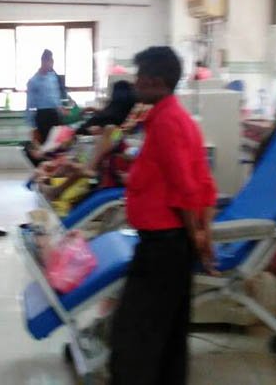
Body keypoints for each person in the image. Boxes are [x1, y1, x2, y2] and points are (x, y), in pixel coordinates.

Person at [109, 46, 218, 385]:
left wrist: (198, 238)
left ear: (155, 81)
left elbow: (185, 189)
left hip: (164, 247)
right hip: (168, 244)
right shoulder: (168, 118)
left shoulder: (169, 122)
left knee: (134, 335)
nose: (135, 82)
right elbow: (197, 181)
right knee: (167, 334)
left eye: (139, 76)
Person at [26, 49, 65, 144]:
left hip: (55, 115)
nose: (51, 64)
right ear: (43, 61)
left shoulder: (53, 77)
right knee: (44, 145)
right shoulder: (33, 81)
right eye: (49, 61)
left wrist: (61, 108)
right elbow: (29, 105)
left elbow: (56, 96)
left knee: (57, 145)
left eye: (52, 61)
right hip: (43, 116)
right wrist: (33, 127)